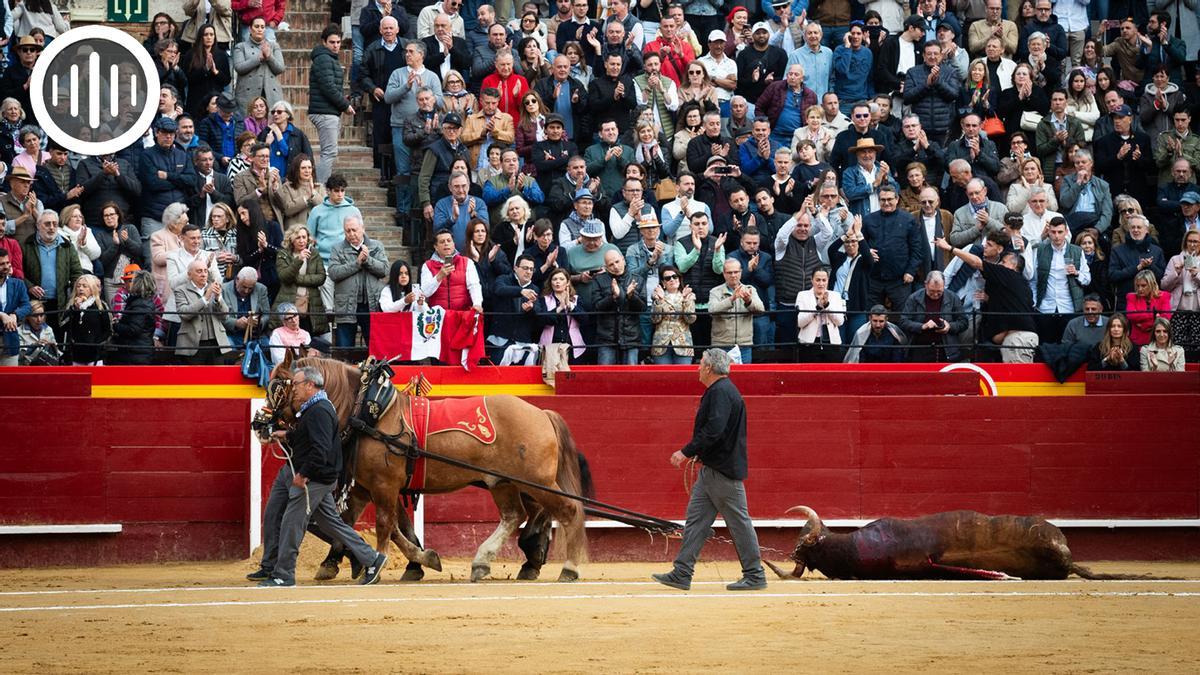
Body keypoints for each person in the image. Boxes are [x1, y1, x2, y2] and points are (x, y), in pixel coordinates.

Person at [260, 365, 389, 588]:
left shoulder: (318, 410)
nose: (294, 389)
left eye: (297, 384)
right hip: (322, 475)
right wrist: (287, 434)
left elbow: (319, 449)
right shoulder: (317, 407)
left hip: (315, 478)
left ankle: (284, 574)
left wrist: (303, 474)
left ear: (310, 385)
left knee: (292, 522)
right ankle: (372, 558)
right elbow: (311, 438)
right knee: (332, 524)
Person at [653, 348, 766, 593]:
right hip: (713, 470)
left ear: (709, 368)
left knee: (739, 523)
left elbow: (714, 430)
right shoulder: (721, 391)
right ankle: (682, 573)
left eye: (700, 363)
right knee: (696, 521)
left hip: (722, 471)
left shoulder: (720, 392)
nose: (697, 367)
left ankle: (755, 574)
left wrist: (686, 451)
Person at [938, 235, 1040, 363]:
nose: (1000, 264)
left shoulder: (1007, 274)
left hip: (1017, 340)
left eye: (1004, 262)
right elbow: (1012, 303)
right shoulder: (1021, 286)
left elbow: (976, 262)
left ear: (1013, 267)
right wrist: (989, 299)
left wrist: (949, 248)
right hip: (1015, 340)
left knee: (1017, 380)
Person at [329, 216, 389, 348]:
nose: (351, 234)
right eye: (347, 231)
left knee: (375, 349)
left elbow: (384, 270)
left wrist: (367, 260)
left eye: (354, 230)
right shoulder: (337, 249)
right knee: (344, 350)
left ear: (363, 229)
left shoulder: (376, 246)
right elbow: (333, 273)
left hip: (371, 305)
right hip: (346, 305)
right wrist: (357, 263)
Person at [899, 271, 967, 361]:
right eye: (932, 291)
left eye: (939, 291)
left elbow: (964, 322)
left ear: (944, 286)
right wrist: (922, 326)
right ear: (926, 285)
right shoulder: (914, 298)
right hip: (920, 348)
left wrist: (949, 326)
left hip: (946, 348)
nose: (935, 294)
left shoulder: (953, 297)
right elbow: (903, 321)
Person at [232, 17, 285, 112]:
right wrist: (258, 58)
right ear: (250, 29)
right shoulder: (240, 47)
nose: (260, 29)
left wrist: (269, 57)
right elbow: (239, 67)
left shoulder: (273, 46)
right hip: (248, 94)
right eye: (256, 26)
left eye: (262, 27)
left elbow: (280, 68)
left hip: (269, 93)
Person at [1125, 269, 1173, 347]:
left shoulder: (1164, 296)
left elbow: (1165, 318)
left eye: (1143, 285)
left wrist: (1144, 325)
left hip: (1158, 341)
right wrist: (1155, 315)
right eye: (1137, 285)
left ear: (1152, 284)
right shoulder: (1131, 297)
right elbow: (1131, 315)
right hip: (1138, 342)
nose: (1140, 289)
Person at [0, 247, 31, 366]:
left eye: (8, 263)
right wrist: (2, 315)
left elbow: (27, 306)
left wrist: (15, 315)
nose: (6, 266)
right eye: (2, 264)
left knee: (9, 382)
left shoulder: (18, 284)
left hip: (10, 340)